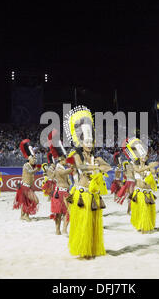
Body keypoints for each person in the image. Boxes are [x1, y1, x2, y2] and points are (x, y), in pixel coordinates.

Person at [64, 105, 111, 259]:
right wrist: (95, 167)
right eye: (86, 142)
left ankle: (91, 249)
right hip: (81, 194)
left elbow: (108, 167)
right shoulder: (77, 155)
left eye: (91, 142)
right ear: (81, 142)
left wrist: (98, 166)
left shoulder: (96, 158)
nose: (89, 144)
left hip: (93, 195)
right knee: (83, 222)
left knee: (92, 223)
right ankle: (83, 250)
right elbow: (81, 167)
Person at [124, 137, 159, 234]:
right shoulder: (135, 166)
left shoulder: (149, 167)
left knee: (148, 210)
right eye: (142, 155)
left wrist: (157, 172)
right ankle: (142, 226)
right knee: (142, 210)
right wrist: (150, 167)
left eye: (145, 156)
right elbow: (138, 171)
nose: (143, 157)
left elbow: (154, 175)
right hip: (139, 192)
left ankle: (147, 225)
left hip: (148, 192)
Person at [48, 129, 74, 235]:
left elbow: (67, 177)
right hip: (59, 193)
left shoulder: (62, 167)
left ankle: (64, 229)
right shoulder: (59, 168)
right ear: (61, 160)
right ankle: (58, 230)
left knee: (70, 211)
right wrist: (72, 167)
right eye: (65, 160)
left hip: (66, 192)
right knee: (58, 213)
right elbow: (63, 173)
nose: (66, 161)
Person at [13, 139, 41, 221]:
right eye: (33, 158)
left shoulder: (31, 166)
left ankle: (23, 215)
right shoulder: (26, 165)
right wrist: (36, 170)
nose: (34, 160)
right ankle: (26, 215)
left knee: (26, 201)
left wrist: (37, 169)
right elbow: (30, 172)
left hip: (28, 187)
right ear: (29, 158)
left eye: (35, 159)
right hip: (25, 187)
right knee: (35, 200)